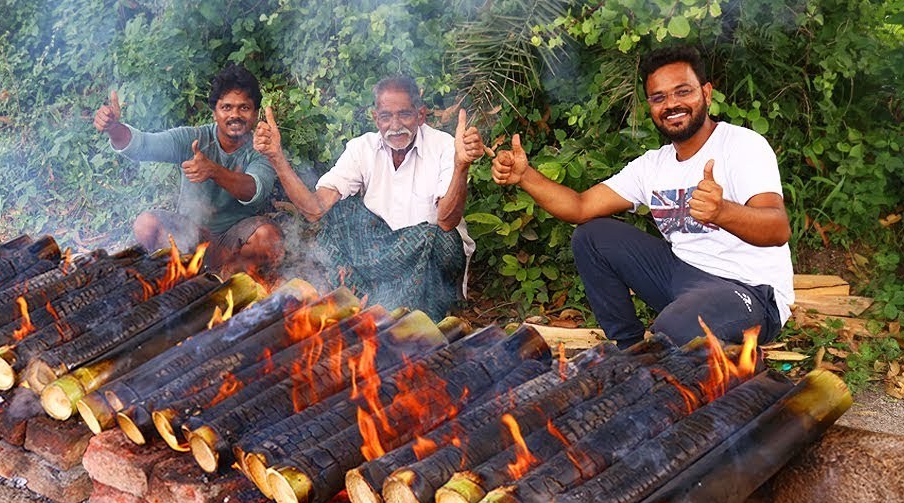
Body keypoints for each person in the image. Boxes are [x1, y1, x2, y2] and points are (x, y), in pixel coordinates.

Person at [491, 45, 793, 348]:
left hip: (749, 290)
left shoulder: (742, 146)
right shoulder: (652, 165)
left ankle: (693, 355)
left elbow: (778, 229)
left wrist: (722, 212)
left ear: (707, 93)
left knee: (672, 332)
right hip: (682, 276)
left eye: (683, 92)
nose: (672, 104)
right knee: (592, 236)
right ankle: (629, 350)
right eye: (659, 98)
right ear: (650, 105)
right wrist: (525, 176)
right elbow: (580, 207)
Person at [253, 76, 484, 318]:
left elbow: (447, 221)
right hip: (377, 256)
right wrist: (276, 158)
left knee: (434, 237)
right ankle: (367, 302)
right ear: (375, 118)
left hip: (429, 255)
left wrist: (461, 165)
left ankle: (395, 313)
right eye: (386, 116)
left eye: (404, 114)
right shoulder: (361, 148)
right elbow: (315, 209)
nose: (395, 125)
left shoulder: (445, 146)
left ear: (421, 115)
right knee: (339, 214)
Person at [93, 64, 282, 272]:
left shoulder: (262, 149)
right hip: (190, 234)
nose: (234, 115)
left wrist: (213, 171)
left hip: (235, 241)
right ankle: (188, 273)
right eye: (226, 107)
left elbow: (255, 190)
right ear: (214, 113)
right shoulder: (194, 138)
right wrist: (113, 128)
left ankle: (224, 276)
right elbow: (143, 146)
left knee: (268, 238)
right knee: (146, 224)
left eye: (244, 108)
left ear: (255, 114)